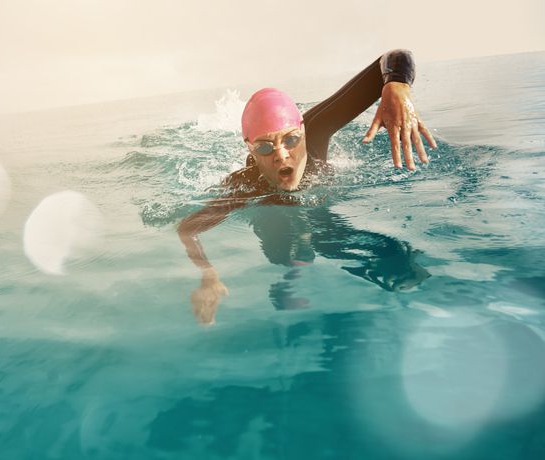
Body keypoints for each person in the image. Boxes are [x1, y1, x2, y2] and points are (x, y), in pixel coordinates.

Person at [177, 49, 437, 324]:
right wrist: (208, 274)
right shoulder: (246, 184)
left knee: (341, 248)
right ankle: (291, 278)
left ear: (302, 133)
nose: (281, 155)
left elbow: (394, 57)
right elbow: (188, 229)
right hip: (275, 221)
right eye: (264, 147)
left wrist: (396, 84)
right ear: (251, 151)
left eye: (290, 140)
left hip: (320, 222)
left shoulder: (314, 131)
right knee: (286, 252)